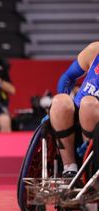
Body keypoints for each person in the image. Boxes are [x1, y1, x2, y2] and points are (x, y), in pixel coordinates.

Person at [50, 41, 99, 178]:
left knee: (88, 104)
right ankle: (69, 168)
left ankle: (89, 166)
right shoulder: (95, 50)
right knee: (60, 101)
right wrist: (63, 95)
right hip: (77, 116)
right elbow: (67, 77)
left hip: (94, 114)